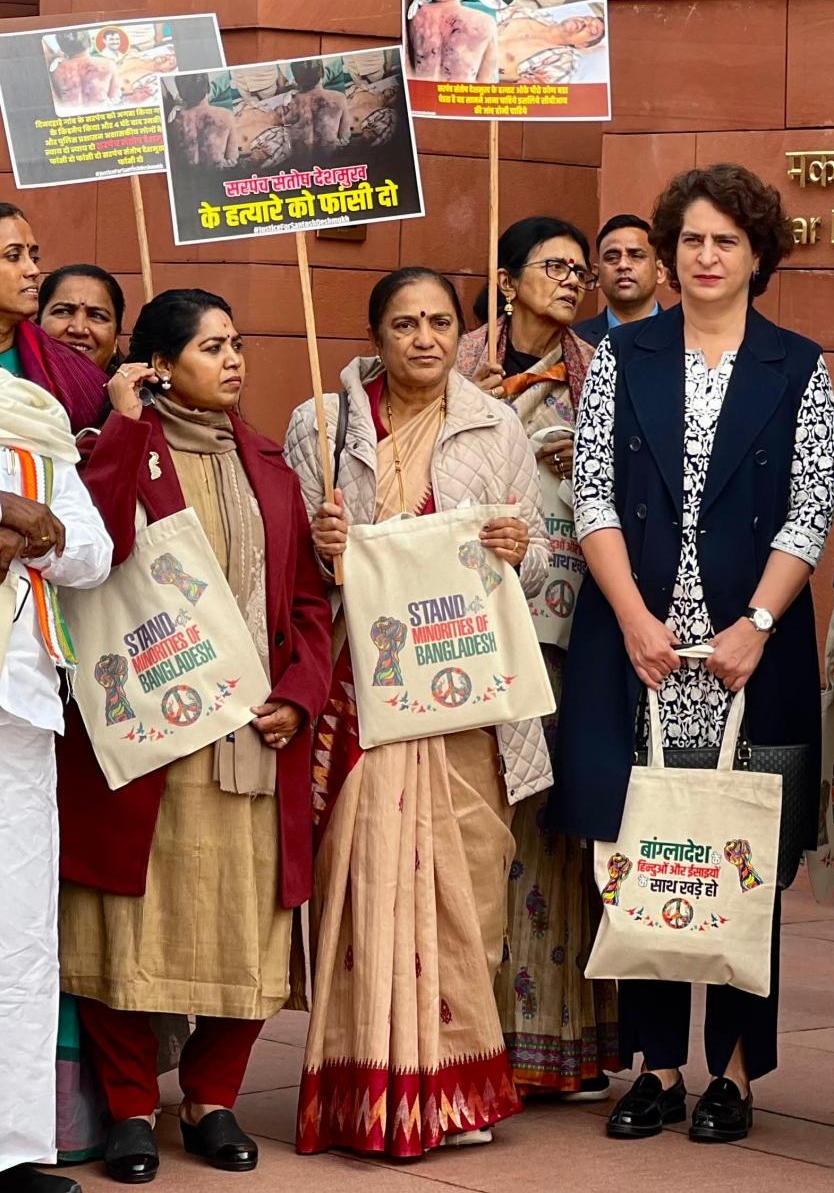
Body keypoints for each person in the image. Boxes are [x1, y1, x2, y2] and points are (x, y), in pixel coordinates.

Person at [551, 163, 834, 1143]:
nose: (706, 257)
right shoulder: (623, 356)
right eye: (692, 241)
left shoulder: (798, 364)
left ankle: (736, 1069)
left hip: (747, 656)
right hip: (638, 648)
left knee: (742, 846)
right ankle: (657, 1063)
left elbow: (811, 505)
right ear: (668, 255)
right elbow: (590, 492)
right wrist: (632, 617)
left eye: (726, 240)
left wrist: (756, 625)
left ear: (759, 253)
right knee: (643, 843)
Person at [56, 289, 332, 1185]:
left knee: (247, 935)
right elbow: (93, 548)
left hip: (251, 745)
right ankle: (133, 1108)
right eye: (213, 346)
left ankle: (212, 1100)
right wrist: (128, 424)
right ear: (159, 365)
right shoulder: (110, 451)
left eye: (239, 342)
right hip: (148, 750)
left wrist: (298, 693)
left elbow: (306, 608)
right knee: (126, 933)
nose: (236, 360)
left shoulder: (272, 468)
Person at [283, 268, 549, 1158]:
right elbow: (299, 576)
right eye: (405, 323)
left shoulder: (494, 421)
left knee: (467, 890)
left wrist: (518, 545)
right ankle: (368, 1085)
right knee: (362, 895)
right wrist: (321, 551)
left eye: (440, 321)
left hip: (467, 701)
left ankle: (456, 1090)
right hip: (365, 698)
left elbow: (540, 555)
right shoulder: (323, 425)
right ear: (377, 333)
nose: (425, 338)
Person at [457, 218, 621, 1098]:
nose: (572, 281)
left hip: (563, 630)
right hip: (466, 629)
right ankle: (464, 1034)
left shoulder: (599, 375)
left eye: (579, 270)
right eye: (554, 267)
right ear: (506, 279)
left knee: (553, 837)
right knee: (479, 830)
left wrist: (585, 457)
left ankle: (554, 1043)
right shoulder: (455, 364)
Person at [0, 373, 112, 1193]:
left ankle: (8, 1145)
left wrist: (34, 531)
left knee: (20, 932)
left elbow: (93, 550)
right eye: (10, 254)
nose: (27, 270)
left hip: (19, 693)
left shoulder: (34, 414)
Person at [0, 205, 107, 432]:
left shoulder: (71, 370)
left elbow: (96, 456)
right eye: (13, 256)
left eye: (34, 257)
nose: (32, 270)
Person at [573, 215, 665, 346]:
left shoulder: (684, 336)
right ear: (597, 275)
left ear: (659, 271)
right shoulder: (575, 341)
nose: (623, 265)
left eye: (636, 256)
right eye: (612, 258)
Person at [407, 0, 499, 83]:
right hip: (458, 98)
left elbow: (410, 68)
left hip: (423, 96)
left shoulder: (416, 18)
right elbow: (486, 83)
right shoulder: (486, 24)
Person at [37, 265, 126, 376]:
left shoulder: (129, 393)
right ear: (37, 324)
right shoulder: (11, 389)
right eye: (63, 312)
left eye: (97, 316)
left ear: (115, 339)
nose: (78, 329)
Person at [496, 13, 606, 85]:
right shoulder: (532, 14)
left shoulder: (562, 63)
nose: (585, 23)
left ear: (581, 45)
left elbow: (522, 96)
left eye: (592, 31)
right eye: (587, 18)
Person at [282, 61, 350, 164]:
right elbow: (345, 135)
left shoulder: (290, 102)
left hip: (300, 164)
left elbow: (285, 134)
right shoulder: (339, 98)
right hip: (331, 160)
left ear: (296, 79)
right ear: (322, 73)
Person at [167, 74, 238, 170]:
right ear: (208, 88)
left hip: (191, 181)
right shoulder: (226, 116)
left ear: (181, 94)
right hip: (217, 175)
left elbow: (175, 164)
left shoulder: (174, 124)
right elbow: (232, 160)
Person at [47, 31, 119, 113]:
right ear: (89, 42)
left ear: (62, 47)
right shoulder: (108, 64)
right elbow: (113, 96)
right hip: (99, 116)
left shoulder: (56, 70)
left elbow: (57, 98)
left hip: (72, 118)